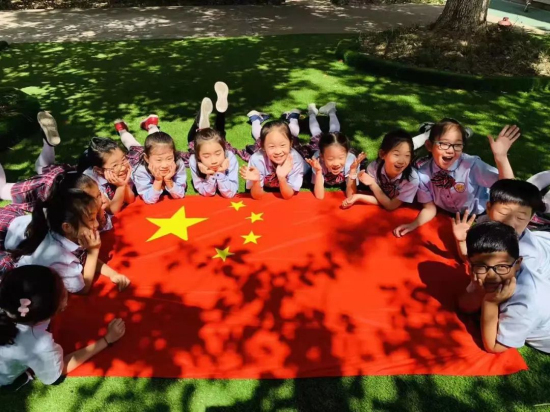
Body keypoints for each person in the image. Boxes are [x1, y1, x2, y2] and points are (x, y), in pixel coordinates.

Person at [4, 173, 130, 294]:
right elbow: (82, 288)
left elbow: (83, 259)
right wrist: (93, 250)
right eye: (92, 219)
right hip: (7, 231)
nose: (97, 225)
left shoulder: (69, 233)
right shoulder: (58, 256)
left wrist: (113, 274)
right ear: (67, 227)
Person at [0, 265, 126, 386]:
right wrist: (107, 340)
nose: (66, 290)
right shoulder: (38, 345)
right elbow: (59, 370)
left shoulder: (9, 301)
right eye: (62, 294)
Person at [393, 118, 521, 237]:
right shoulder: (423, 174)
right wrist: (413, 225)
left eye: (457, 145)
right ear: (429, 146)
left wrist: (501, 157)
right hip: (450, 217)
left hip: (482, 214)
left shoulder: (471, 165)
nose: (450, 150)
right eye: (444, 144)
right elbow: (429, 208)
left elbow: (509, 187)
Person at [458, 221, 550, 354]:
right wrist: (479, 292)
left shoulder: (526, 302)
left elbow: (494, 346)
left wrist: (490, 302)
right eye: (480, 265)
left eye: (501, 266)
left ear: (518, 263)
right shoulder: (490, 270)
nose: (491, 275)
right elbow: (464, 306)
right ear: (470, 264)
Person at [452, 179, 550, 282]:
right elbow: (475, 259)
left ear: (530, 218)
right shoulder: (485, 223)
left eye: (520, 218)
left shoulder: (526, 256)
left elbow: (509, 290)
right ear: (489, 208)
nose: (509, 223)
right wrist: (462, 241)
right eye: (503, 213)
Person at [115, 117, 187, 204]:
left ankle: (151, 125)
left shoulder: (178, 163)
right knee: (131, 144)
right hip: (137, 156)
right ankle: (122, 131)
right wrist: (158, 181)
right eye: (159, 160)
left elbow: (180, 194)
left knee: (158, 140)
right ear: (147, 158)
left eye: (169, 158)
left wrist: (168, 180)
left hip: (154, 151)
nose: (164, 165)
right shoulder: (140, 170)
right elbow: (148, 198)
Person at [342, 129, 419, 211]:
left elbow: (391, 205)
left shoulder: (412, 180)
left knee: (413, 145)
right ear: (382, 154)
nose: (401, 161)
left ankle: (427, 132)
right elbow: (382, 200)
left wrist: (372, 184)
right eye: (396, 155)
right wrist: (358, 196)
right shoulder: (373, 168)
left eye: (407, 155)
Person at [239, 120, 307, 200]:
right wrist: (256, 182)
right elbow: (257, 196)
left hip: (306, 169)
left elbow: (288, 195)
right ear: (262, 146)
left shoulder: (295, 160)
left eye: (282, 145)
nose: (278, 152)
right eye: (272, 146)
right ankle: (255, 120)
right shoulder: (256, 160)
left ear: (291, 144)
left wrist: (281, 178)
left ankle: (293, 118)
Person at [78, 137, 135, 214]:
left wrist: (124, 184)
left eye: (123, 159)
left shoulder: (124, 168)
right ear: (99, 170)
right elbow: (112, 210)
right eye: (115, 165)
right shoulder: (91, 183)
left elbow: (131, 200)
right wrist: (120, 186)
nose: (123, 168)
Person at [306, 131, 359, 200]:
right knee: (316, 135)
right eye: (330, 159)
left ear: (347, 154)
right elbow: (319, 196)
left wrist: (352, 171)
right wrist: (318, 171)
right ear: (322, 156)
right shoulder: (317, 161)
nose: (336, 163)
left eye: (341, 158)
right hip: (318, 152)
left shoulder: (352, 162)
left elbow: (351, 195)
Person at [188, 128, 239, 198]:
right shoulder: (194, 161)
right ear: (198, 156)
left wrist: (221, 172)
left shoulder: (230, 158)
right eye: (206, 156)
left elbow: (229, 193)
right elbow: (207, 193)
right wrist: (209, 175)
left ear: (224, 151)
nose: (214, 161)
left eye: (218, 154)